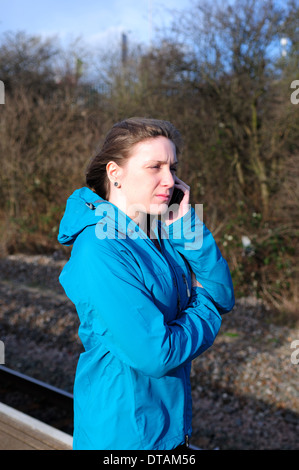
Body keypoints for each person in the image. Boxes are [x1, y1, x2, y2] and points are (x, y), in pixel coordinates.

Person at [57, 117, 235, 450]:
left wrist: (186, 224)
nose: (170, 180)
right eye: (155, 167)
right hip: (124, 435)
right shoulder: (99, 248)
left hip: (168, 430)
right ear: (115, 173)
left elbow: (223, 292)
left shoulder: (160, 232)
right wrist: (206, 306)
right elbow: (157, 353)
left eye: (173, 167)